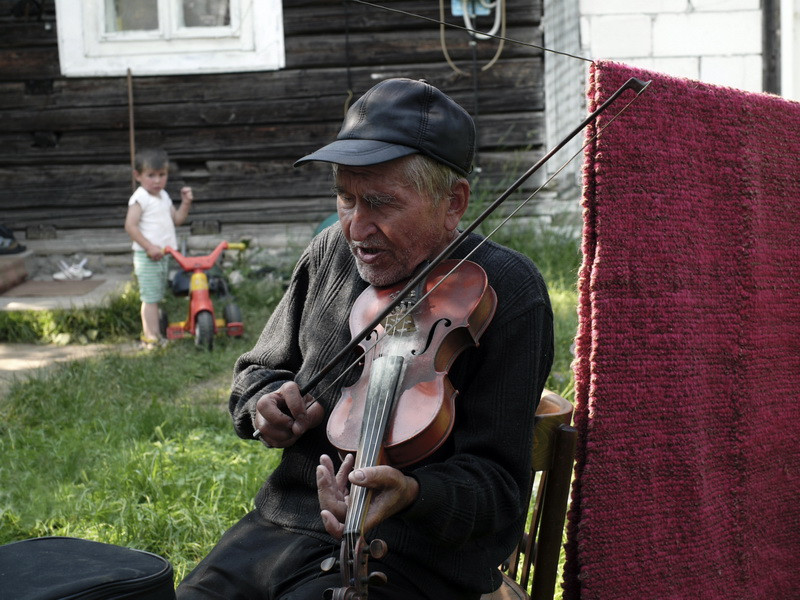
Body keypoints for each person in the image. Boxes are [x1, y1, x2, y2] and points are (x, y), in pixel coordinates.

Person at [176, 78, 553, 599]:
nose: (356, 226)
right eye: (345, 198)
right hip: (281, 530)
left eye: (380, 203)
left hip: (413, 556)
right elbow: (257, 370)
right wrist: (266, 403)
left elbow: (500, 491)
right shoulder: (330, 253)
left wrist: (414, 493)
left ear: (454, 203)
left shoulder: (507, 290)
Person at [124, 148, 192, 349]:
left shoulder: (163, 196)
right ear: (138, 176)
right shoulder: (140, 198)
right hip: (148, 256)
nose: (157, 180)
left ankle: (155, 332)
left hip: (162, 255)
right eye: (151, 175)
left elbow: (177, 219)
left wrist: (186, 203)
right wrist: (149, 247)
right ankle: (151, 338)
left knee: (156, 295)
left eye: (161, 175)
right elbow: (130, 226)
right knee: (150, 298)